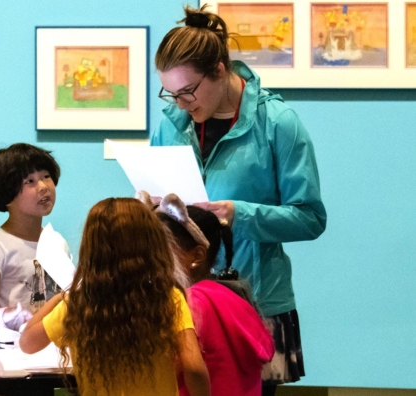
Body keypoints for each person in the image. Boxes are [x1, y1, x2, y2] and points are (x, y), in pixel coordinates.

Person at [152, 6, 327, 394]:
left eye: (187, 92)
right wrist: (149, 209)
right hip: (183, 305)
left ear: (218, 69)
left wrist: (239, 214)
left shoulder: (278, 123)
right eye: (171, 93)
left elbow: (311, 218)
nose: (180, 105)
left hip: (255, 304)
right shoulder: (171, 125)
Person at [19, 198, 210, 396]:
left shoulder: (79, 304)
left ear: (91, 251)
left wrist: (63, 296)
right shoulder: (168, 298)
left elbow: (28, 343)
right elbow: (194, 368)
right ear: (154, 245)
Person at [156, 194, 274, 396]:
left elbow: (167, 372)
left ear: (197, 256)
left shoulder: (186, 304)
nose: (155, 261)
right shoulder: (236, 298)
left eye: (164, 252)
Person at [0, 143, 70, 331]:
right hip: (11, 348)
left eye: (46, 176)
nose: (43, 187)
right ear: (7, 194)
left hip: (52, 345)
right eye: (30, 181)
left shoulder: (57, 241)